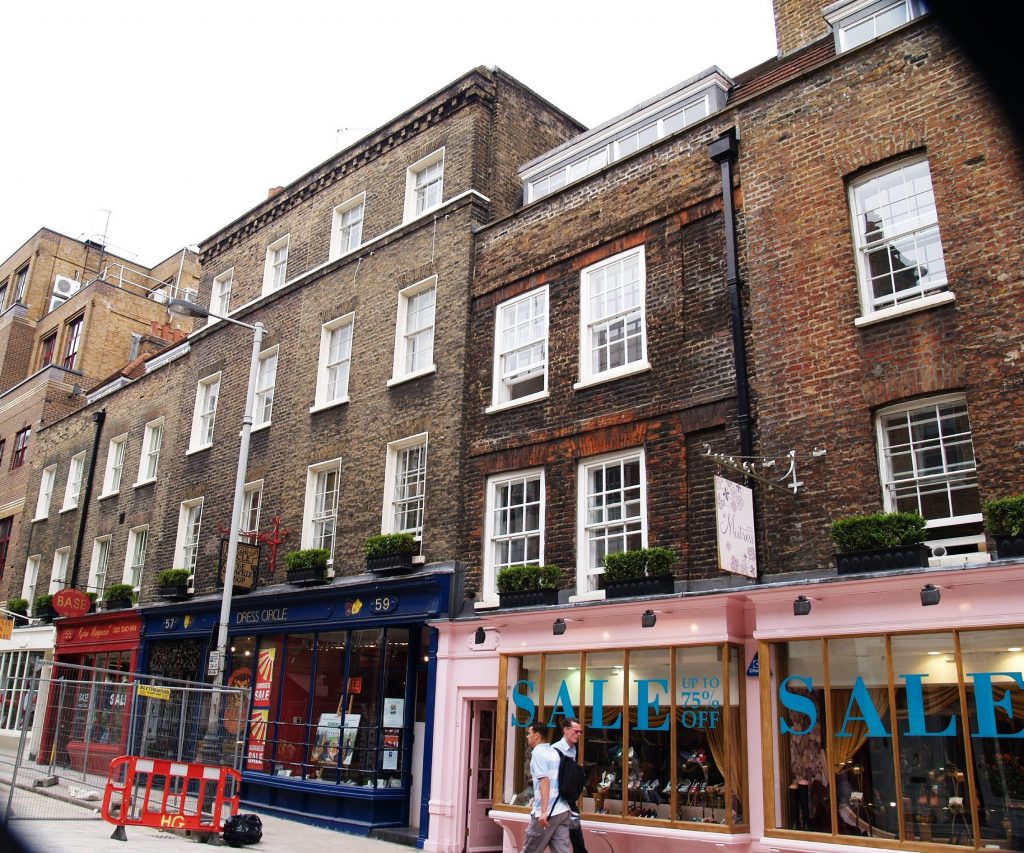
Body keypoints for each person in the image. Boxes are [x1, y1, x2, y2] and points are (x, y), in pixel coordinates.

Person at [521, 722, 570, 853]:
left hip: (546, 813)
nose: (527, 737)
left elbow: (544, 782)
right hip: (562, 810)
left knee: (530, 850)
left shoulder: (538, 754)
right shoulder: (553, 752)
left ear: (536, 735)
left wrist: (543, 812)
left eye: (529, 734)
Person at [552, 718, 588, 853]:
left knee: (577, 837)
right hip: (557, 800)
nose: (578, 734)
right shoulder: (554, 750)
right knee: (546, 839)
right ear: (565, 730)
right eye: (576, 731)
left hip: (569, 800)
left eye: (580, 732)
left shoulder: (573, 749)